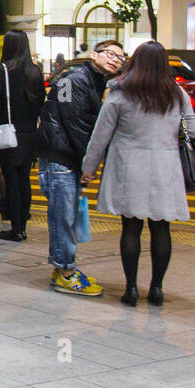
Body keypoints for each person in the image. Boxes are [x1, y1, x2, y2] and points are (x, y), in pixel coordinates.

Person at [81, 41, 195, 307]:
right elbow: (194, 130)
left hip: (128, 168)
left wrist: (89, 168)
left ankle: (131, 289)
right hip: (164, 168)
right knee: (161, 228)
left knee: (131, 229)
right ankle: (156, 289)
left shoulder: (119, 92)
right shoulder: (177, 93)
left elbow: (101, 135)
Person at [36, 39, 125, 296]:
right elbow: (77, 126)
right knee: (63, 217)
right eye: (109, 54)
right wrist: (90, 163)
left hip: (66, 157)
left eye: (120, 58)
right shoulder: (75, 80)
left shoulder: (96, 82)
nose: (114, 60)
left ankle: (62, 267)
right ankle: (66, 271)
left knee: (66, 216)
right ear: (94, 54)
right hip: (60, 159)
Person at [0, 30, 46, 242]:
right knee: (24, 181)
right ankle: (23, 225)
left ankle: (16, 228)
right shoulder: (35, 71)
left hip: (8, 133)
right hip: (29, 133)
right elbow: (41, 102)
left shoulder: (1, 69)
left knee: (10, 180)